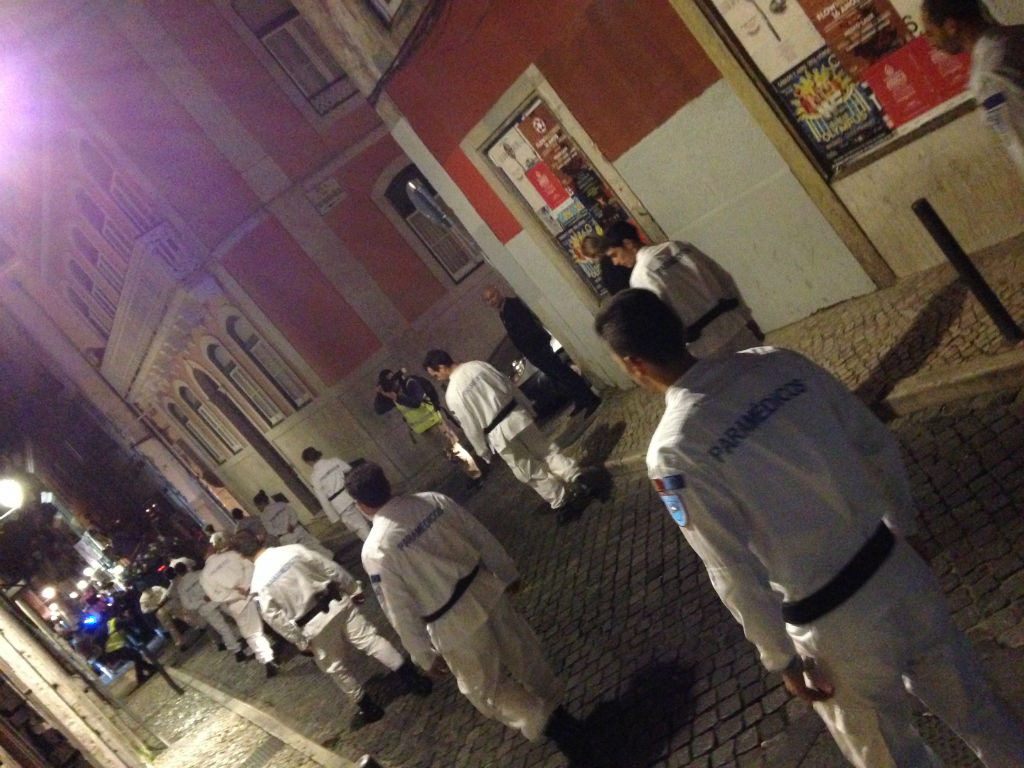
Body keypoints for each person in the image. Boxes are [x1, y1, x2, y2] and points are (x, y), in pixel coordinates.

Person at [593, 288, 1024, 768]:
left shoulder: (674, 450)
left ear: (633, 364)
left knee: (890, 756)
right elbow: (874, 443)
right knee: (981, 711)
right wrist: (905, 526)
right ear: (677, 327)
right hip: (895, 566)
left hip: (834, 623)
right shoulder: (776, 363)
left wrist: (779, 658)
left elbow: (730, 569)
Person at [348, 462, 594, 765]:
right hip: (485, 591)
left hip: (452, 624)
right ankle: (564, 719)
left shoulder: (375, 549)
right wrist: (506, 571)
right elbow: (479, 534)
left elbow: (397, 609)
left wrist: (422, 654)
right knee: (525, 655)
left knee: (486, 690)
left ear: (361, 504)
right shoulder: (431, 500)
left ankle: (555, 725)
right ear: (387, 483)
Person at [232, 530, 433, 727]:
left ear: (241, 556)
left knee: (336, 668)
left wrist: (300, 641)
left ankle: (369, 708)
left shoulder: (259, 584)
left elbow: (276, 619)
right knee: (371, 641)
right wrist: (352, 588)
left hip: (312, 625)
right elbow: (329, 567)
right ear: (259, 538)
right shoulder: (293, 550)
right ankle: (414, 680)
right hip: (337, 603)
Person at [423, 349, 591, 514]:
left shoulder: (453, 394)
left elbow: (470, 426)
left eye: (435, 374)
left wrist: (483, 451)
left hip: (499, 434)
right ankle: (577, 477)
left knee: (528, 470)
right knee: (546, 450)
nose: (437, 378)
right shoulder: (478, 366)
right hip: (517, 416)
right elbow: (508, 385)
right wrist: (527, 406)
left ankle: (560, 499)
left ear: (442, 367)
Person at [602, 221, 764, 358]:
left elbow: (661, 322)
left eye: (614, 255)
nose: (615, 262)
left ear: (628, 244)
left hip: (704, 347)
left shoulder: (640, 276)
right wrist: (746, 317)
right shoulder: (679, 247)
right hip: (734, 326)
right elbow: (724, 279)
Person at [922, 0, 1024, 177]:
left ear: (951, 27)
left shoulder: (987, 73)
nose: (931, 43)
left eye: (931, 33)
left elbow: (1017, 132)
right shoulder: (1016, 36)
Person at [483, 286, 601, 418]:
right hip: (532, 353)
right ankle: (579, 399)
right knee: (557, 377)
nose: (492, 301)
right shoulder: (503, 313)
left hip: (538, 347)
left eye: (492, 296)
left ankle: (590, 399)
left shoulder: (513, 305)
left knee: (563, 373)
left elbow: (529, 325)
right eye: (488, 300)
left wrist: (537, 344)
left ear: (498, 292)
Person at [371, 371, 483, 484]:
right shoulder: (392, 394)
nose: (392, 384)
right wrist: (380, 394)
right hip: (423, 429)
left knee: (454, 449)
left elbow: (416, 403)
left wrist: (396, 397)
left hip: (434, 423)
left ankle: (477, 475)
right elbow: (379, 409)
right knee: (448, 455)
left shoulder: (410, 383)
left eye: (392, 381)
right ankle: (471, 474)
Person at [200, 532, 279, 677]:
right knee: (276, 614)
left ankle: (268, 661)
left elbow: (215, 596)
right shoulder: (232, 555)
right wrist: (247, 584)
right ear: (211, 548)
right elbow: (250, 565)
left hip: (238, 603)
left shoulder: (205, 576)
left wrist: (237, 593)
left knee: (252, 634)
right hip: (256, 589)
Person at [171, 560, 247, 660]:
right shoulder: (199, 574)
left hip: (205, 608)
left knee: (223, 629)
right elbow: (214, 584)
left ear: (178, 573)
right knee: (237, 616)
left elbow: (188, 605)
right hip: (217, 599)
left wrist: (201, 602)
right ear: (186, 567)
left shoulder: (181, 588)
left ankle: (237, 651)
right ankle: (249, 634)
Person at [300, 449, 372, 540]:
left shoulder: (315, 476)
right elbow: (350, 470)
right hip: (352, 493)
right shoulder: (334, 461)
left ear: (309, 461)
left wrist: (333, 516)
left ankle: (376, 547)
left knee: (360, 527)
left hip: (340, 503)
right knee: (372, 516)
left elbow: (322, 498)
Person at [253, 490, 334, 559]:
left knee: (304, 556)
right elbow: (294, 515)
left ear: (260, 504)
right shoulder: (282, 505)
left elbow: (271, 531)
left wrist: (285, 530)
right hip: (297, 530)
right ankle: (333, 559)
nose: (258, 508)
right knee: (316, 547)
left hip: (286, 538)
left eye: (257, 506)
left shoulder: (264, 516)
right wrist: (291, 525)